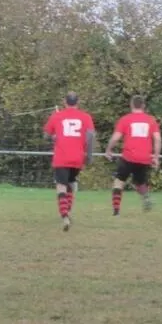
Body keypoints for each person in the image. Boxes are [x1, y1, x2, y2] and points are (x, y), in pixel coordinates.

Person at [43, 93, 96, 231]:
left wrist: (53, 136)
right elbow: (90, 136)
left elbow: (46, 135)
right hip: (77, 157)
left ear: (64, 102)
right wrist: (89, 156)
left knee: (61, 186)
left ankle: (65, 216)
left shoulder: (57, 116)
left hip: (61, 157)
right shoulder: (86, 117)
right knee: (71, 183)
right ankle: (68, 209)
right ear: (78, 102)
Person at [104, 95, 162, 215]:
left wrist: (109, 149)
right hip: (144, 157)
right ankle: (146, 197)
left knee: (119, 181)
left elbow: (116, 137)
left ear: (131, 105)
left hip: (128, 156)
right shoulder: (151, 120)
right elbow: (157, 139)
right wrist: (156, 157)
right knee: (140, 183)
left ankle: (116, 210)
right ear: (143, 106)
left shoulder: (126, 119)